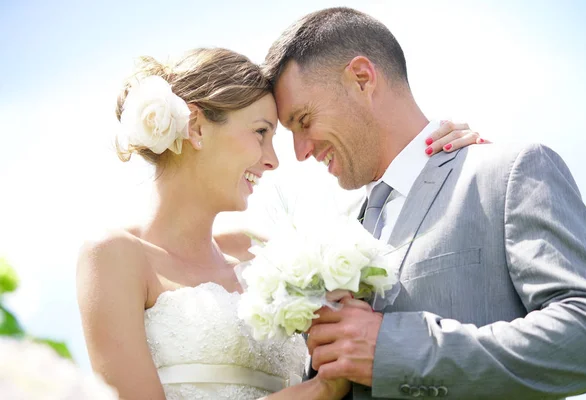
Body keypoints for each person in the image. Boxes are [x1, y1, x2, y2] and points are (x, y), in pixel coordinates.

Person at [76, 47, 479, 400]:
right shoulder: (113, 256)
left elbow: (389, 245)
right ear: (197, 128)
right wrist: (319, 391)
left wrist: (441, 160)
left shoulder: (266, 248)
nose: (273, 160)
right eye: (260, 133)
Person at [263, 7, 586, 400]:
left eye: (303, 120)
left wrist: (396, 351)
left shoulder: (506, 173)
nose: (299, 152)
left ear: (361, 78)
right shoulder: (331, 230)